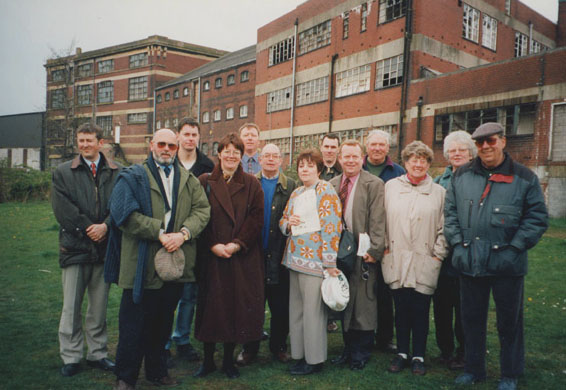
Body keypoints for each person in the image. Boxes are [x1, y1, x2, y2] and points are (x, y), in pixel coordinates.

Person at [105, 128, 210, 390]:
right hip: (140, 265)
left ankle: (157, 371)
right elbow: (122, 213)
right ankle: (126, 377)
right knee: (133, 324)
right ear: (151, 145)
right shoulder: (132, 176)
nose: (166, 149)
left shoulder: (187, 179)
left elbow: (202, 210)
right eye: (161, 144)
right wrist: (159, 233)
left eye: (171, 146)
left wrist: (183, 234)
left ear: (177, 149)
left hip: (174, 264)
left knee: (162, 323)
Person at [445, 123, 548, 390]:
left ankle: (510, 373)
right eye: (479, 143)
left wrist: (514, 249)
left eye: (490, 141)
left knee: (509, 322)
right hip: (470, 262)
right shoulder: (461, 176)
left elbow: (536, 218)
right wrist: (458, 246)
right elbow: (451, 215)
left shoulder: (524, 177)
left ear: (503, 142)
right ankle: (473, 369)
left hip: (507, 265)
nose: (485, 147)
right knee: (471, 321)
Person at [51, 123, 120, 377]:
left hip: (104, 250)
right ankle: (71, 356)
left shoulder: (117, 172)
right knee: (71, 307)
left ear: (100, 142)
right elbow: (62, 209)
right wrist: (89, 228)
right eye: (81, 140)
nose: (84, 145)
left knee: (98, 308)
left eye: (89, 140)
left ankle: (98, 353)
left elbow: (121, 205)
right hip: (74, 249)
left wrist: (106, 227)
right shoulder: (62, 172)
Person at [194, 132, 264, 380]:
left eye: (236, 152)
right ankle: (208, 361)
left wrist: (236, 244)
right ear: (219, 153)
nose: (231, 155)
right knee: (211, 308)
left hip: (239, 256)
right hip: (212, 255)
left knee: (234, 309)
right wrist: (213, 244)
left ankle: (227, 361)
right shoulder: (204, 181)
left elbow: (256, 220)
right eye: (227, 150)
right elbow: (198, 218)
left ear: (242, 156)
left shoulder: (252, 184)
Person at [382, 140, 448, 376]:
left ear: (429, 163)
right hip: (396, 258)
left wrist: (437, 256)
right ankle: (401, 353)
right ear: (406, 163)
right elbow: (382, 221)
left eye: (423, 160)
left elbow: (445, 227)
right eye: (413, 159)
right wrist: (385, 250)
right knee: (401, 308)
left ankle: (418, 355)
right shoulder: (390, 187)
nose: (418, 164)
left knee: (421, 309)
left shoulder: (439, 192)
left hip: (425, 260)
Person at [280, 149, 342, 375]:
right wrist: (288, 222)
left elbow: (332, 227)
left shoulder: (325, 190)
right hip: (294, 260)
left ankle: (314, 359)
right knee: (296, 311)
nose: (304, 169)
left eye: (309, 165)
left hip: (315, 263)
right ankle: (298, 354)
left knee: (312, 313)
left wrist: (329, 262)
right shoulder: (296, 193)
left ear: (317, 168)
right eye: (301, 166)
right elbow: (282, 221)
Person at [237, 144, 297, 366]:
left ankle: (279, 347)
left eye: (275, 156)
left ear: (281, 160)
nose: (271, 159)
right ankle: (249, 348)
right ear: (259, 160)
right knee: (252, 304)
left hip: (280, 254)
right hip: (254, 254)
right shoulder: (250, 183)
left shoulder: (291, 185)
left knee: (281, 305)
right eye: (267, 156)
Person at [329, 140, 385, 370]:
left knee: (363, 301)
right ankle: (347, 349)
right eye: (346, 156)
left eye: (355, 156)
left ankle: (361, 351)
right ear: (339, 158)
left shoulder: (374, 183)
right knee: (344, 298)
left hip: (363, 250)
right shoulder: (331, 184)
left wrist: (374, 249)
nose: (350, 161)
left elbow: (378, 219)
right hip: (338, 249)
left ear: (362, 158)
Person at [165, 118, 214, 365]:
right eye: (186, 134)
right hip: (166, 238)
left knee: (189, 294)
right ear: (178, 136)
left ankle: (181, 339)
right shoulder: (166, 161)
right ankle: (162, 342)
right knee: (165, 294)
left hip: (194, 238)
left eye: (194, 134)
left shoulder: (207, 166)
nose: (190, 139)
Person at [432, 130, 476, 370]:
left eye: (462, 149)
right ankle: (445, 350)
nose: (456, 153)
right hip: (443, 254)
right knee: (441, 305)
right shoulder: (440, 182)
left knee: (464, 306)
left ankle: (464, 350)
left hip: (467, 252)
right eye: (452, 150)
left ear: (471, 153)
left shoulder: (478, 178)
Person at [363, 129, 405, 353]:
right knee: (363, 290)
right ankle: (365, 334)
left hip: (389, 239)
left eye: (382, 144)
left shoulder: (397, 172)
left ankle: (386, 337)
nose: (377, 148)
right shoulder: (356, 168)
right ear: (366, 146)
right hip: (361, 238)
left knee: (385, 291)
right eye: (373, 144)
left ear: (388, 148)